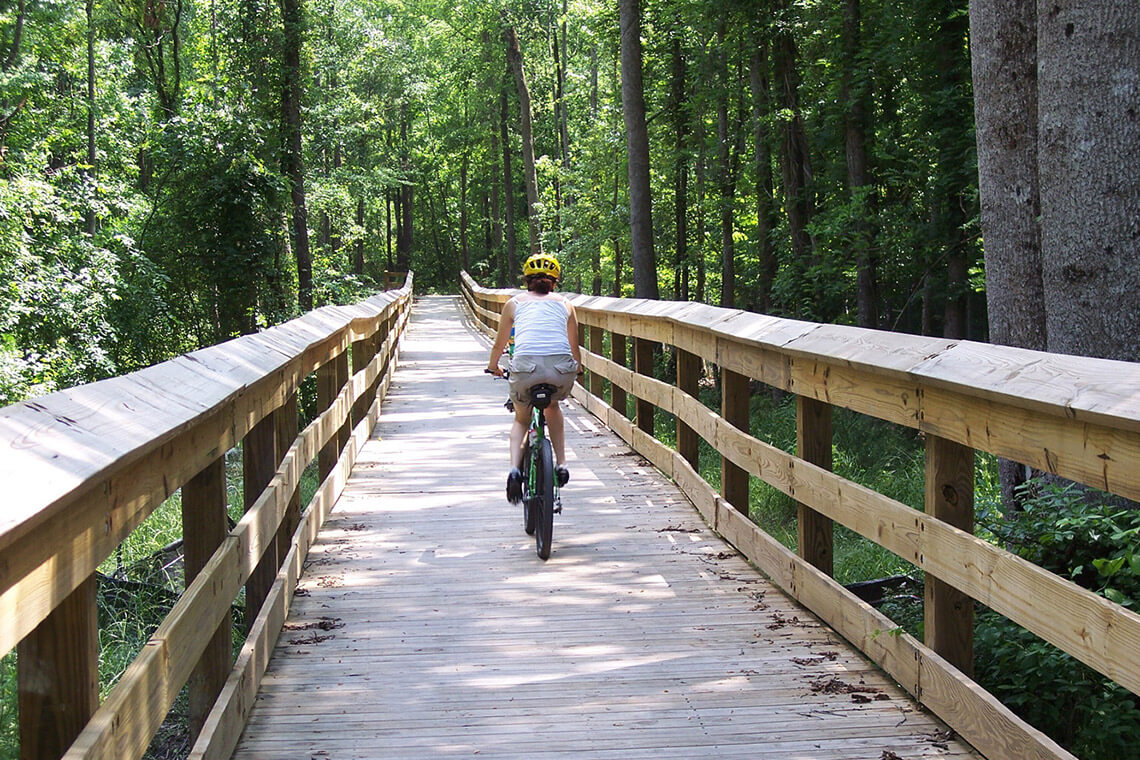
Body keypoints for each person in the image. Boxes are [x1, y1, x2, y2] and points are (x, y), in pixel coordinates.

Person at [486, 253, 581, 504]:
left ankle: (515, 471)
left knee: (521, 418)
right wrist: (578, 369)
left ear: (527, 280)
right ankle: (561, 464)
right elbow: (574, 348)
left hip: (526, 368)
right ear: (555, 281)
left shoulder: (514, 304)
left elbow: (500, 344)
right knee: (553, 406)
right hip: (560, 370)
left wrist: (492, 366)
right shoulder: (566, 305)